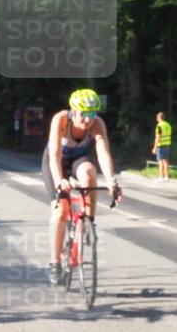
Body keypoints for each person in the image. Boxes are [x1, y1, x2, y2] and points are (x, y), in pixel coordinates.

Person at [42, 88, 122, 285]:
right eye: (84, 115)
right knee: (61, 210)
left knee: (89, 172)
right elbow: (54, 155)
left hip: (78, 159)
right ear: (73, 111)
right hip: (56, 162)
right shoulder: (60, 120)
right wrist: (61, 180)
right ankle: (55, 263)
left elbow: (103, 153)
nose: (88, 121)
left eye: (92, 115)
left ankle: (88, 220)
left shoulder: (97, 125)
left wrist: (111, 181)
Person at [152, 111, 172, 181]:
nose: (156, 119)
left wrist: (154, 147)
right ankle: (167, 177)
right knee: (166, 161)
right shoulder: (168, 125)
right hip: (167, 144)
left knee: (160, 161)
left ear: (159, 118)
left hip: (161, 145)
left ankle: (161, 177)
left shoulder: (159, 126)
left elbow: (158, 137)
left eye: (157, 117)